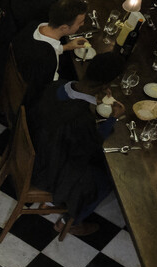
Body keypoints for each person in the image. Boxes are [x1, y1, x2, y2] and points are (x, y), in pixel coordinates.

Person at [30, 52, 125, 237]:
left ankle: (49, 204)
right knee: (106, 180)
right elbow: (91, 147)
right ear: (106, 85)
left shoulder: (57, 85)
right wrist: (113, 118)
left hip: (37, 147)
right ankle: (71, 222)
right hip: (47, 170)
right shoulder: (80, 118)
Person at [0, 0, 88, 111]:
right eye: (80, 22)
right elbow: (49, 88)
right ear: (64, 27)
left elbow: (43, 47)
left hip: (7, 77)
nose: (83, 24)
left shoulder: (34, 26)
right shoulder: (47, 58)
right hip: (25, 101)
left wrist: (66, 47)